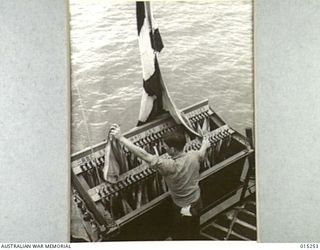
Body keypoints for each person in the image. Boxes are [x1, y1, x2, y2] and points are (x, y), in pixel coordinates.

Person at [109, 124, 211, 240]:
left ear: (172, 149)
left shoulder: (169, 166)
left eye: (165, 146)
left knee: (182, 234)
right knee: (194, 227)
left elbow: (145, 155)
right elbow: (202, 153)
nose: (164, 148)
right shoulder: (194, 155)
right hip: (197, 201)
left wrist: (121, 138)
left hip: (183, 208)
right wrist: (205, 144)